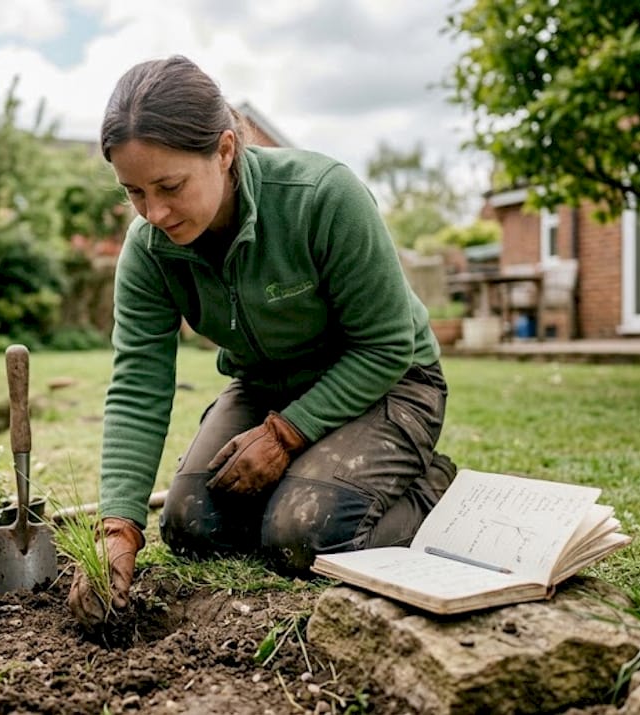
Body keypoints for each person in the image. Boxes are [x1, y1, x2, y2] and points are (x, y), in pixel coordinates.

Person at [67, 55, 457, 628]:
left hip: (389, 384)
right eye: (134, 193)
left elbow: (385, 346)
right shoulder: (149, 248)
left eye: (170, 186)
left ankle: (429, 484)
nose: (154, 212)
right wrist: (118, 525)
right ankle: (320, 481)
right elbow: (138, 384)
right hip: (267, 385)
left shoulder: (322, 197)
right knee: (190, 525)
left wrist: (288, 434)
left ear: (224, 151)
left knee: (302, 535)